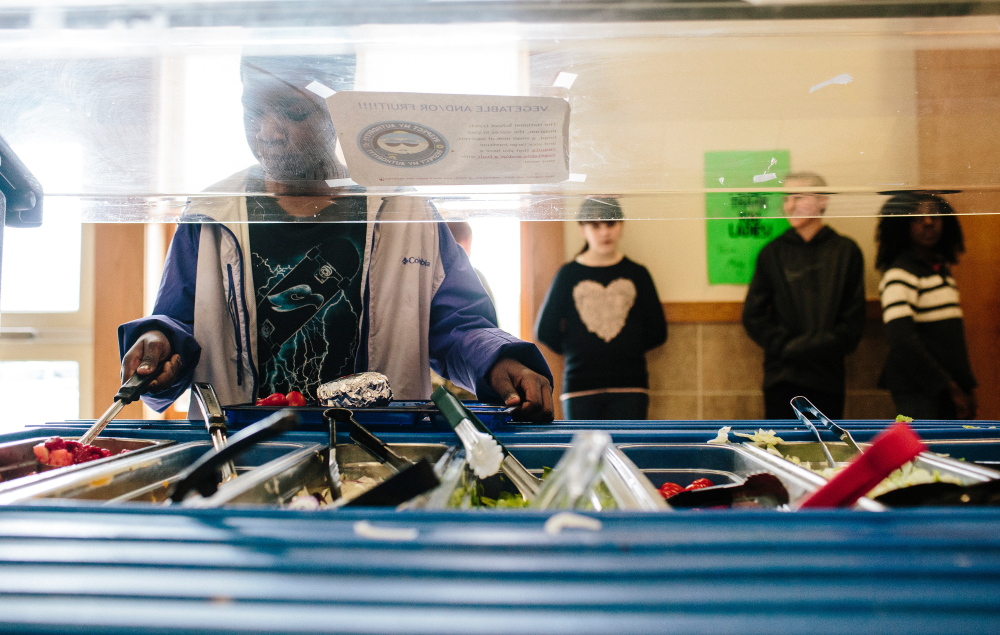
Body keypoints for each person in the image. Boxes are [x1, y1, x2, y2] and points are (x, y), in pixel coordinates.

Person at [117, 55, 553, 421]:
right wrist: (159, 346)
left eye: (294, 112)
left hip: (377, 452)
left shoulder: (405, 213)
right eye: (254, 111)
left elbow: (457, 326)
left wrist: (500, 361)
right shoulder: (209, 216)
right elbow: (178, 326)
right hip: (240, 456)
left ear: (339, 110)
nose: (268, 131)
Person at [742, 172, 865, 419]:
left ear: (823, 200)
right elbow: (753, 315)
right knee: (780, 449)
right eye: (786, 198)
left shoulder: (846, 251)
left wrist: (817, 345)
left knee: (827, 449)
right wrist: (787, 346)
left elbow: (853, 321)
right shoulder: (772, 253)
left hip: (828, 377)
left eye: (798, 197)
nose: (790, 205)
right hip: (782, 377)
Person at [535, 197, 666, 420]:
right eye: (595, 225)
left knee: (627, 453)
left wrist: (627, 349)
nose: (605, 232)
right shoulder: (568, 275)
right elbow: (545, 330)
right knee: (584, 455)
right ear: (582, 229)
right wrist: (578, 350)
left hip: (631, 385)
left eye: (611, 223)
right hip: (579, 385)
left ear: (621, 226)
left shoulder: (638, 274)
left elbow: (658, 331)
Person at [875, 192, 977, 420]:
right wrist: (950, 387)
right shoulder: (900, 273)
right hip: (919, 389)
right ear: (902, 226)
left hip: (943, 388)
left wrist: (966, 385)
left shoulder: (940, 269)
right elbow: (902, 341)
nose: (929, 223)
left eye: (935, 216)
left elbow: (949, 343)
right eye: (918, 218)